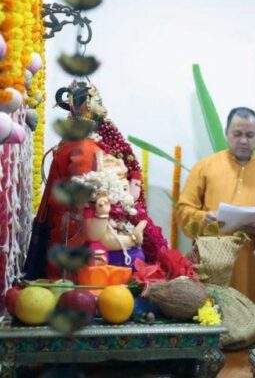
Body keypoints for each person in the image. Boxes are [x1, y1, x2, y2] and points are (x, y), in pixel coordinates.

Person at [26, 81, 168, 280]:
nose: (105, 109)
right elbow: (88, 201)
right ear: (87, 105)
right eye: (99, 102)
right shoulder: (83, 146)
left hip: (76, 232)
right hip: (78, 235)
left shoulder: (80, 142)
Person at [175, 107, 255, 309]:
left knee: (246, 322)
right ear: (226, 132)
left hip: (249, 267)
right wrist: (206, 218)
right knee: (207, 315)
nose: (244, 140)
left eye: (250, 135)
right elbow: (183, 210)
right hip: (209, 264)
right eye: (237, 134)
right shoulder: (205, 167)